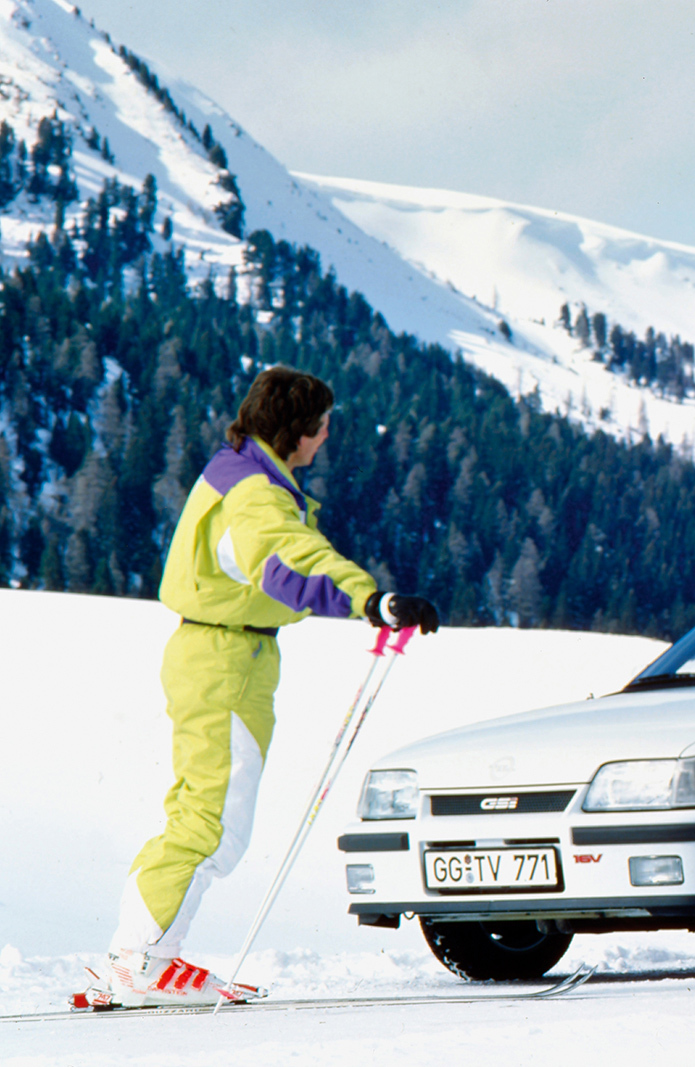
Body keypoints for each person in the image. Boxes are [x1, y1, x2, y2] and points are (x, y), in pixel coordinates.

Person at [98, 366, 439, 1007]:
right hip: (226, 660)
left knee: (198, 809)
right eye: (322, 426)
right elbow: (286, 558)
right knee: (214, 822)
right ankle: (143, 960)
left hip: (218, 653)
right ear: (298, 430)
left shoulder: (236, 470)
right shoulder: (255, 493)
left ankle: (134, 953)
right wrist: (371, 600)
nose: (326, 437)